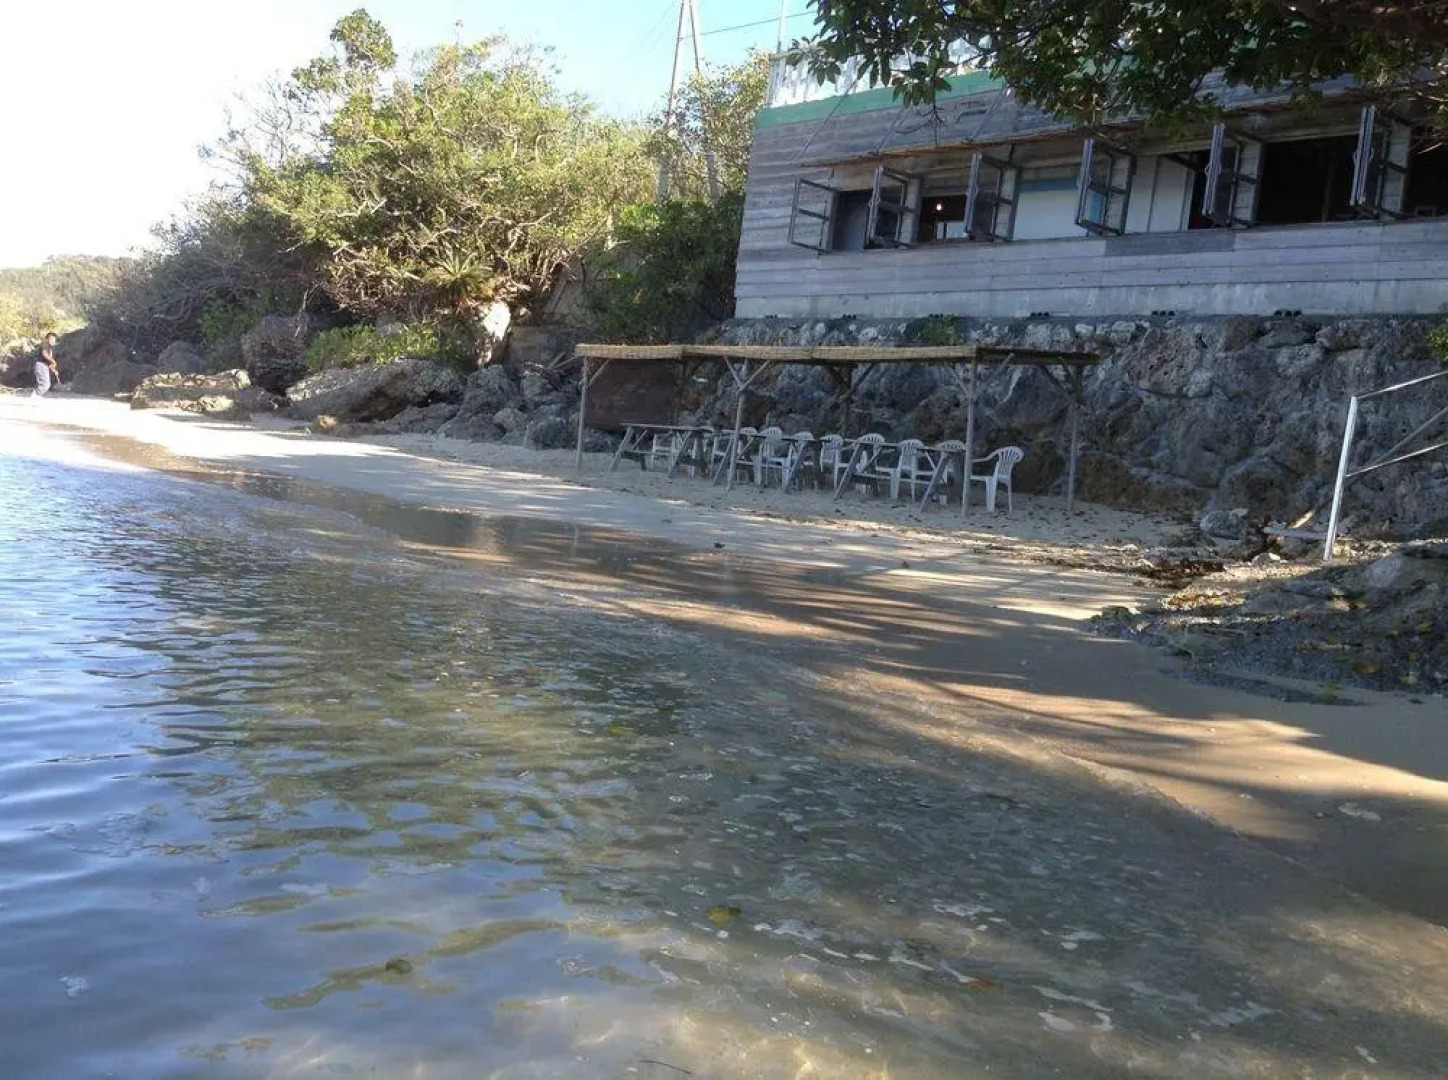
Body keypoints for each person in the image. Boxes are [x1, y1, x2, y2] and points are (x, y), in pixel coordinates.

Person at [33, 333, 59, 397]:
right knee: (45, 385)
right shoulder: (45, 343)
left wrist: (54, 370)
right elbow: (44, 354)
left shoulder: (50, 348)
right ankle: (34, 396)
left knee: (44, 385)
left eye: (54, 339)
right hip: (41, 365)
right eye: (51, 339)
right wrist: (53, 361)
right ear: (47, 339)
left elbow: (49, 363)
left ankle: (36, 397)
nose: (53, 341)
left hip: (44, 366)